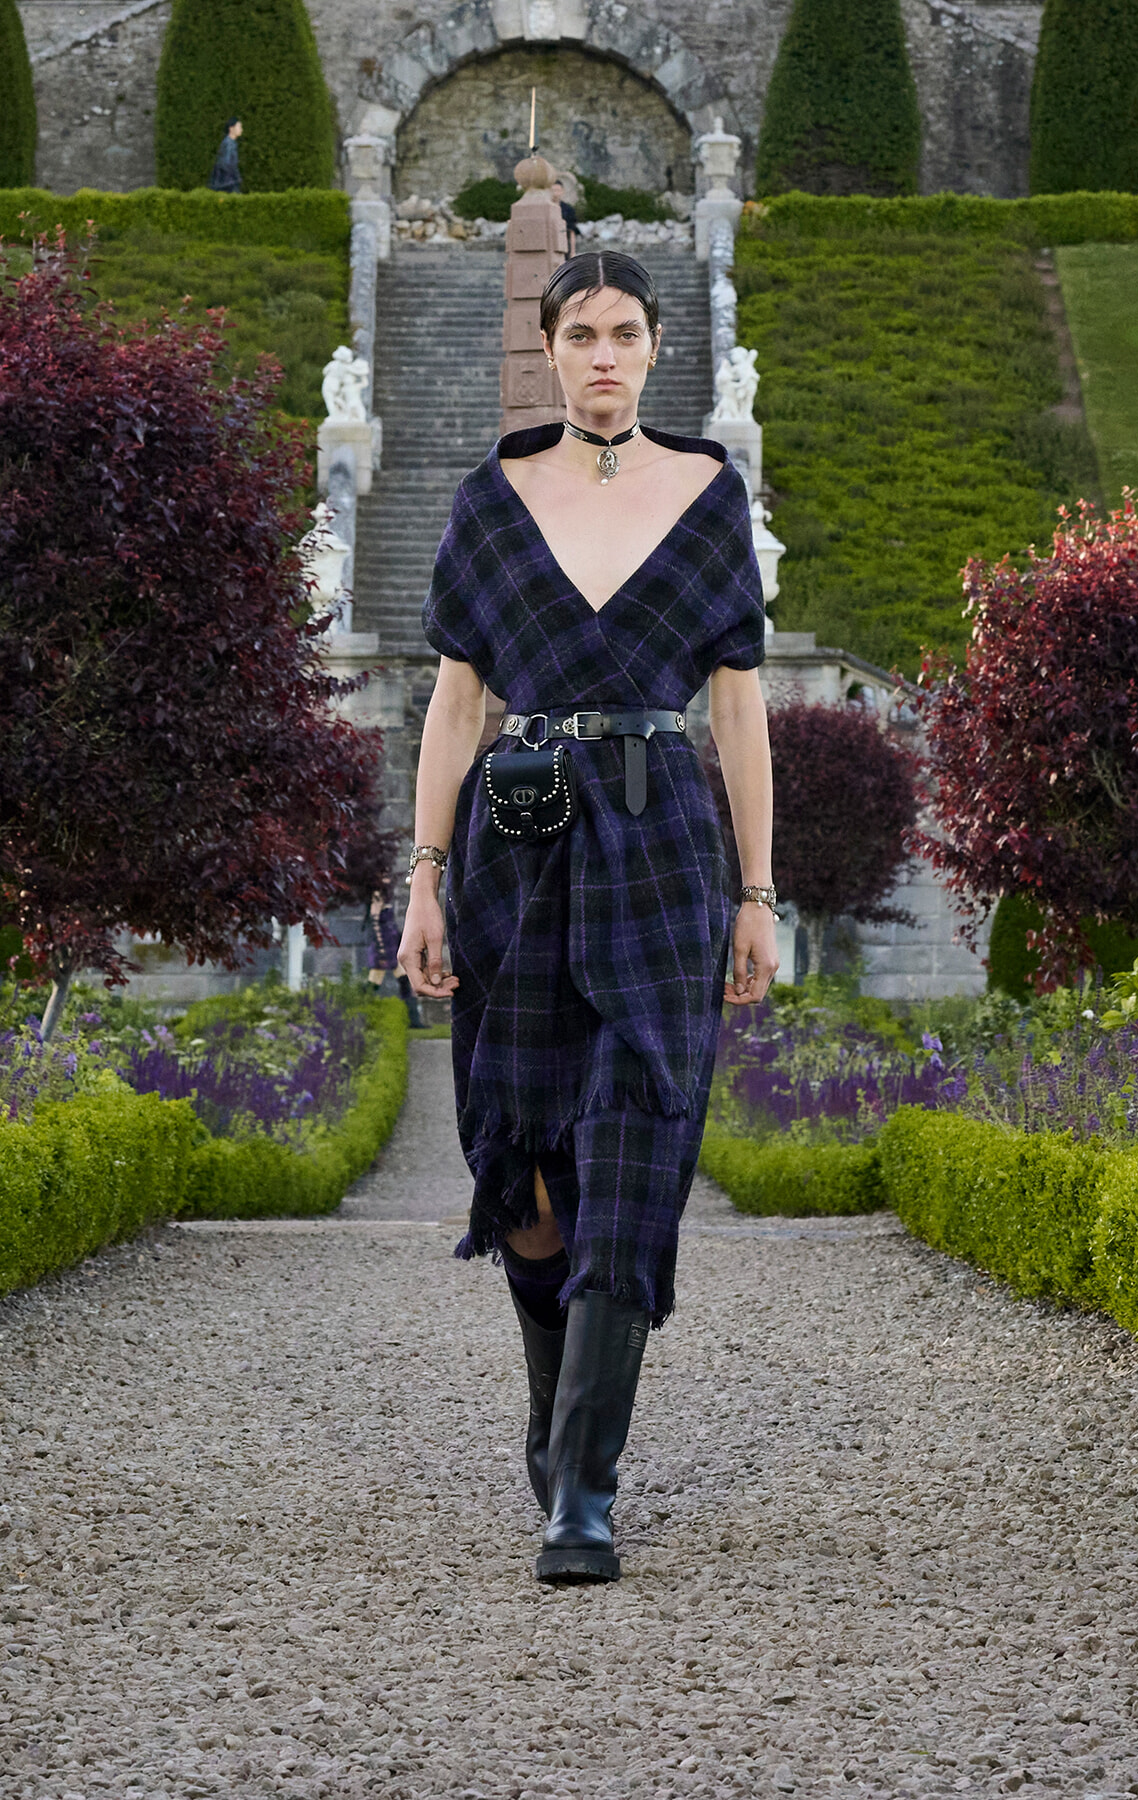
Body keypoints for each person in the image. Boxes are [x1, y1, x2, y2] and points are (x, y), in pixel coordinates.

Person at [399, 250, 776, 1584]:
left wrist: (757, 895)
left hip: (666, 845)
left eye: (625, 332)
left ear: (654, 346)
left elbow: (736, 710)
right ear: (551, 350)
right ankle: (554, 1426)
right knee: (531, 1179)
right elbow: (456, 705)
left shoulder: (711, 499)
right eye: (581, 333)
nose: (604, 354)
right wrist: (425, 875)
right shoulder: (490, 505)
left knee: (632, 1163)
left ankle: (585, 1494)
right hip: (517, 848)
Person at [364, 883, 423, 1028]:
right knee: (372, 985)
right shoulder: (376, 897)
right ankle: (364, 1019)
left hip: (392, 949)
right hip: (383, 951)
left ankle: (413, 1020)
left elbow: (391, 926)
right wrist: (381, 951)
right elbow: (375, 926)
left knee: (404, 981)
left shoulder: (384, 897)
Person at [208, 118, 243, 194]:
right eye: (239, 127)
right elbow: (225, 164)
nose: (241, 130)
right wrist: (236, 177)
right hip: (227, 184)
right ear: (231, 128)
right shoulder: (228, 144)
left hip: (228, 182)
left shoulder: (230, 143)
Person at [551, 179, 578, 257]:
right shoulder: (545, 209)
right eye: (553, 190)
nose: (555, 193)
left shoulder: (568, 209)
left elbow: (572, 231)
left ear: (562, 191)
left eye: (558, 190)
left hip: (564, 245)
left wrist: (573, 252)